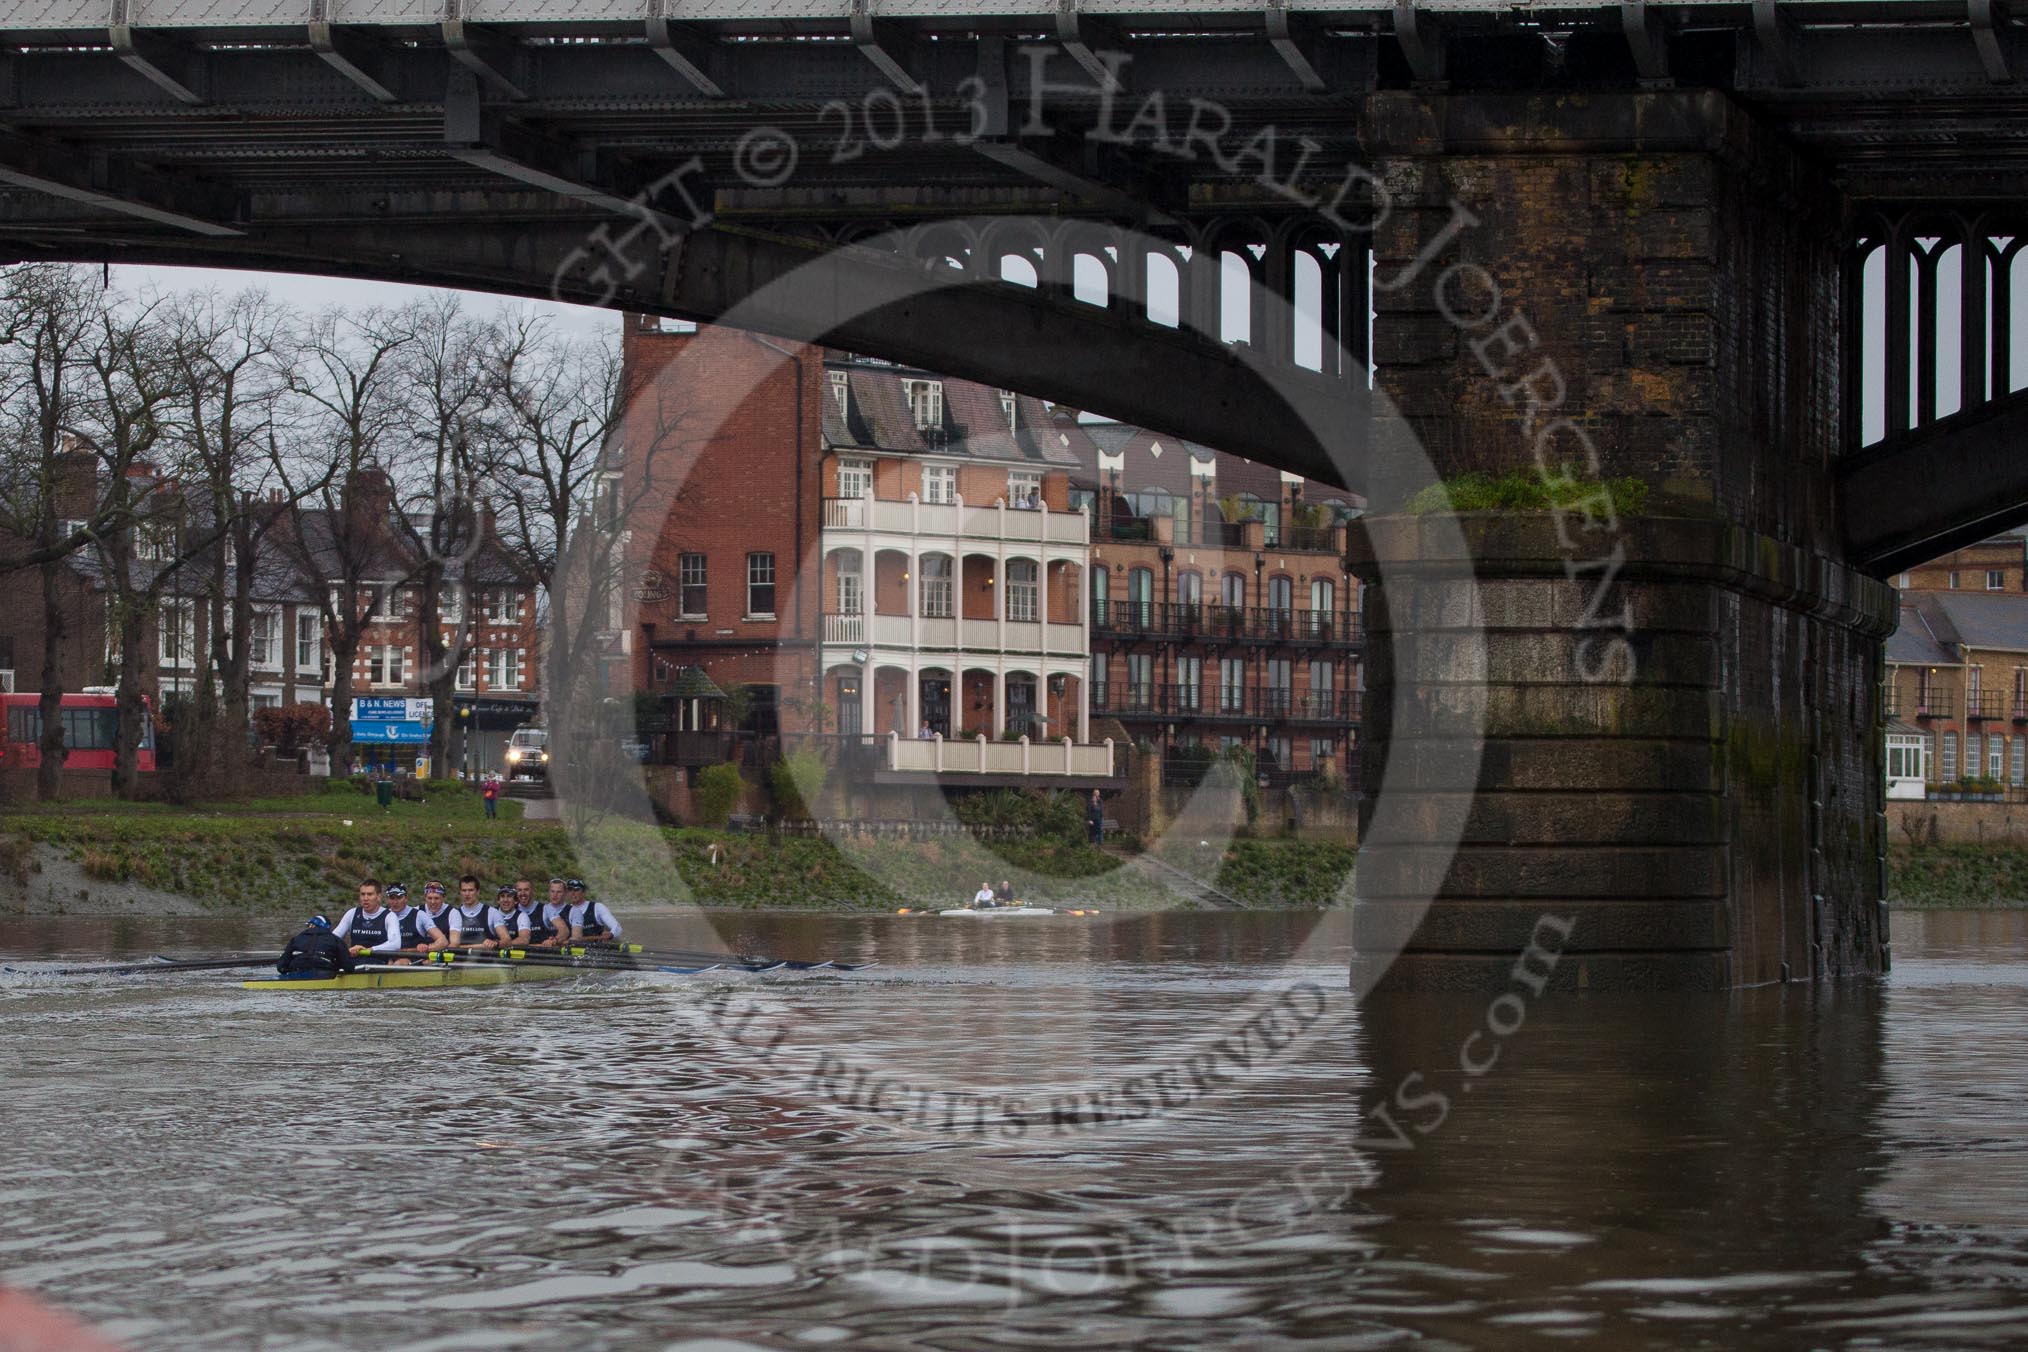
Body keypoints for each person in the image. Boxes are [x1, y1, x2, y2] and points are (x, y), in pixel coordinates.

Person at [333, 879, 403, 959]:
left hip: (378, 964)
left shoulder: (389, 916)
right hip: (354, 962)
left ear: (379, 897)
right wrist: (345, 950)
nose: (365, 898)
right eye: (363, 894)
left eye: (370, 894)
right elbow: (333, 938)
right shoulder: (352, 913)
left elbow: (395, 944)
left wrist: (369, 950)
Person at [275, 914, 356, 979]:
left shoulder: (296, 939)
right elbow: (348, 967)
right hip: (324, 975)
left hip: (295, 974)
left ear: (311, 926)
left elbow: (281, 966)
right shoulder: (336, 940)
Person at [381, 884, 444, 964]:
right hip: (388, 957)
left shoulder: (419, 915)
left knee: (399, 963)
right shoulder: (383, 915)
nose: (395, 902)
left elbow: (442, 941)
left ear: (406, 898)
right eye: (392, 898)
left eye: (399, 898)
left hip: (413, 958)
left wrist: (427, 947)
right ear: (387, 900)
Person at [448, 875, 494, 950]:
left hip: (484, 959)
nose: (467, 894)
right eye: (464, 890)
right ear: (460, 892)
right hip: (458, 959)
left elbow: (506, 940)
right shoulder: (453, 914)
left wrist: (495, 943)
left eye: (470, 890)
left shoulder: (492, 912)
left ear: (478, 892)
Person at [414, 882, 455, 953]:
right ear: (425, 897)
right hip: (419, 955)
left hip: (442, 954)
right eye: (429, 898)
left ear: (443, 898)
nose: (433, 902)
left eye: (436, 898)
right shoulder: (416, 911)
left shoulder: (452, 912)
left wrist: (429, 949)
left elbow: (454, 943)